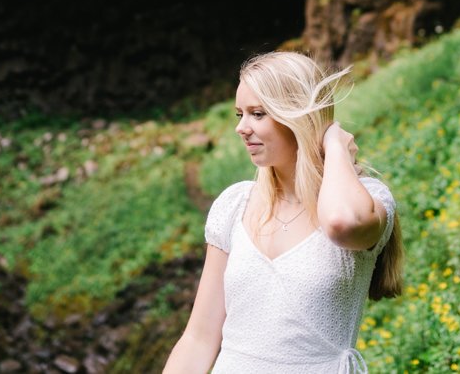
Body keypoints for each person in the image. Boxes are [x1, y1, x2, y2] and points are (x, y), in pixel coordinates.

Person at [162, 50, 404, 374]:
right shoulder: (235, 205)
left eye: (258, 114)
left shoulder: (366, 200)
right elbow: (199, 339)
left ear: (299, 117)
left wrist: (333, 145)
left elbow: (342, 224)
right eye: (240, 114)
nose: (241, 128)